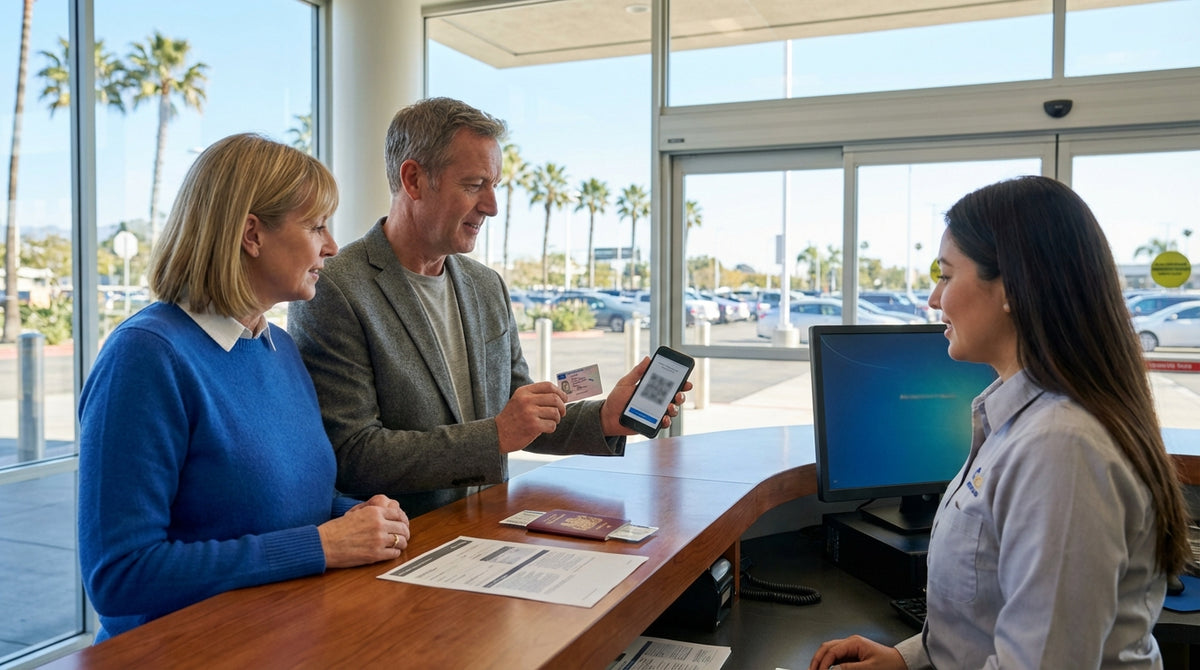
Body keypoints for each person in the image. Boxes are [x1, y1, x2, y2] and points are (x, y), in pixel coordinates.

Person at [809, 176, 1191, 670]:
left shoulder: (1062, 448)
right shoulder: (1016, 419)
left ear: (1010, 287)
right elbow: (983, 620)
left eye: (946, 276)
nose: (933, 299)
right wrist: (909, 659)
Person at [78, 133, 411, 643]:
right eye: (316, 225)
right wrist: (321, 546)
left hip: (281, 637)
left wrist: (358, 517)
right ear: (251, 234)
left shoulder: (277, 346)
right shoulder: (145, 356)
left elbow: (293, 506)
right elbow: (120, 576)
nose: (332, 246)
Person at [288, 97, 687, 517]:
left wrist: (605, 417)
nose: (492, 206)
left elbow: (516, 416)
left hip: (494, 530)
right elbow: (353, 454)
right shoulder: (335, 288)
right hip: (402, 546)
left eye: (494, 185)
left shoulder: (486, 285)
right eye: (474, 184)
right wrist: (495, 435)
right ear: (413, 180)